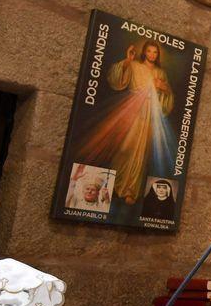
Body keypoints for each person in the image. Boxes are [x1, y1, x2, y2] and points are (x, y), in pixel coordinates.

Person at [75, 40, 176, 205]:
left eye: (155, 52)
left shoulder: (160, 72)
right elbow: (117, 80)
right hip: (132, 109)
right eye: (149, 51)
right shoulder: (135, 66)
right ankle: (114, 185)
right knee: (124, 147)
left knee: (141, 152)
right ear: (144, 52)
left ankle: (130, 191)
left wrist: (164, 89)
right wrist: (127, 61)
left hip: (149, 113)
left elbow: (167, 97)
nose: (152, 54)